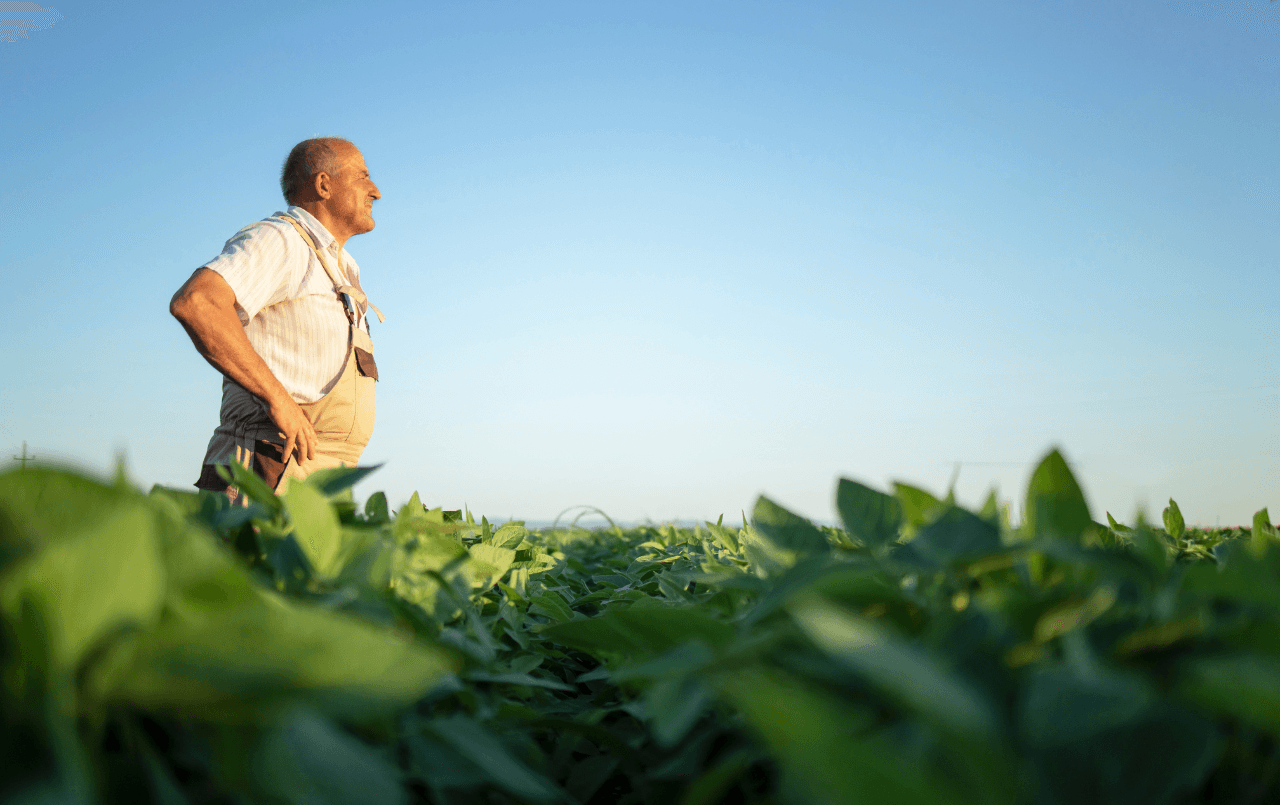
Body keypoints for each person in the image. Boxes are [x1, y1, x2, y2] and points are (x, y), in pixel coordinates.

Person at [170, 137, 383, 499]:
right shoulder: (283, 239)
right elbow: (198, 302)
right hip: (267, 470)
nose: (375, 191)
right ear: (323, 184)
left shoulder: (342, 268)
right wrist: (278, 399)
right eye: (363, 176)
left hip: (319, 481)